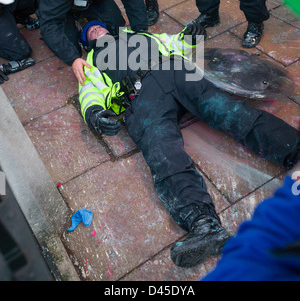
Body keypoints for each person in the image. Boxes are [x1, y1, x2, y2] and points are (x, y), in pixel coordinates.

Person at [77, 19, 300, 268]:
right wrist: (95, 113)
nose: (96, 30)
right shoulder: (92, 61)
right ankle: (203, 224)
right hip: (142, 95)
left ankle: (294, 150)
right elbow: (89, 91)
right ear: (88, 43)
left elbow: (175, 43)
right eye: (91, 32)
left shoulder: (140, 36)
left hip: (177, 73)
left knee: (230, 112)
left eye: (99, 26)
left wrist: (190, 35)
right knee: (161, 150)